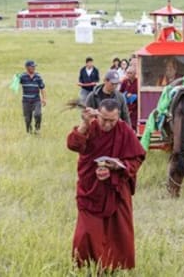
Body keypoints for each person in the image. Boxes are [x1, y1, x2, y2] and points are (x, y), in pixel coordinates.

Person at [67, 99, 146, 271]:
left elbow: (137, 157)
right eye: (104, 119)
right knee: (86, 233)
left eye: (112, 120)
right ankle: (85, 268)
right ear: (98, 114)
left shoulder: (124, 130)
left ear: (118, 117)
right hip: (91, 188)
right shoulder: (91, 126)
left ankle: (114, 268)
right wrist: (83, 124)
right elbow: (73, 145)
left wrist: (118, 166)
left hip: (116, 188)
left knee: (119, 232)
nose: (108, 124)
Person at [20, 60, 46, 134]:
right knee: (27, 118)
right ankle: (29, 130)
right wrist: (16, 79)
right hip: (26, 101)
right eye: (32, 66)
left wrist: (44, 99)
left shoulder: (38, 76)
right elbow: (15, 84)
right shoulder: (22, 76)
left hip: (36, 100)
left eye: (34, 66)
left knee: (38, 114)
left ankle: (37, 129)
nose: (34, 68)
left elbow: (42, 88)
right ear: (27, 67)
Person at [119, 66, 138, 131]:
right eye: (127, 73)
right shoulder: (125, 82)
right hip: (126, 106)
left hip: (136, 106)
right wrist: (126, 95)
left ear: (135, 74)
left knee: (134, 123)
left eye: (130, 73)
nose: (128, 75)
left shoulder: (138, 82)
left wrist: (134, 96)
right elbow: (120, 92)